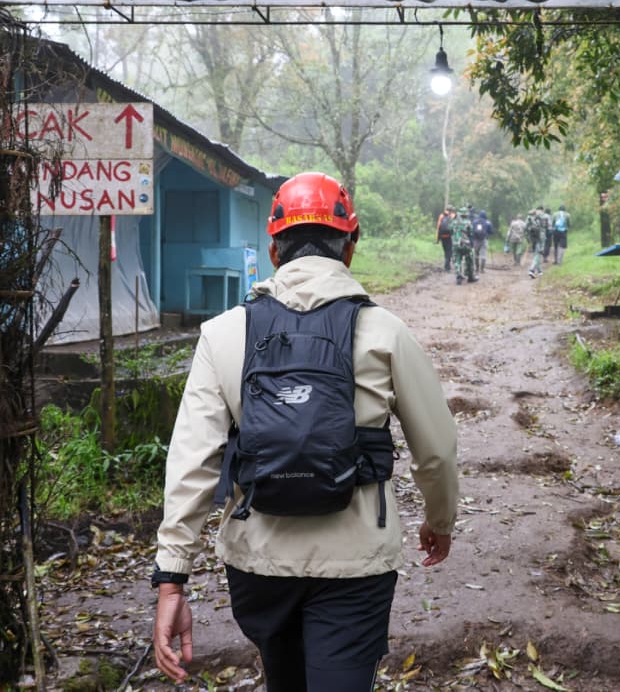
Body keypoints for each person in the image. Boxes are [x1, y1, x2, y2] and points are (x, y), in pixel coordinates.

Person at [152, 172, 459, 692]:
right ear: (351, 247)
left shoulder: (224, 333)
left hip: (258, 562)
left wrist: (171, 578)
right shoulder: (385, 331)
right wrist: (440, 519)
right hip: (356, 562)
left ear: (274, 249)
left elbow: (192, 461)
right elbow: (437, 450)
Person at [450, 205, 476, 285]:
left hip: (455, 244)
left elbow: (450, 230)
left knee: (457, 260)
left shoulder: (453, 222)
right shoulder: (468, 222)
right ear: (466, 214)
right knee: (469, 259)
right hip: (465, 244)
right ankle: (470, 276)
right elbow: (471, 232)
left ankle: (458, 276)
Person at [525, 206, 546, 278]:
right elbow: (543, 230)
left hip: (532, 238)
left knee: (536, 255)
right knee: (537, 255)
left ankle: (540, 271)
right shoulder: (540, 217)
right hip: (539, 239)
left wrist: (528, 239)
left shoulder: (528, 219)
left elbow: (525, 229)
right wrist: (543, 245)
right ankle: (531, 270)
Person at [471, 209, 494, 274]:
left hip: (476, 240)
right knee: (483, 254)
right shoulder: (488, 222)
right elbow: (491, 232)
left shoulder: (475, 221)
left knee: (475, 254)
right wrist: (488, 234)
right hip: (484, 239)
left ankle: (476, 268)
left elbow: (472, 230)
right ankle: (482, 269)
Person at [435, 206, 455, 272]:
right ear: (451, 210)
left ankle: (447, 265)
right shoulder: (453, 215)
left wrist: (437, 239)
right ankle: (447, 267)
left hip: (443, 236)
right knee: (449, 251)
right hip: (449, 236)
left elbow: (438, 227)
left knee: (446, 251)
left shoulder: (441, 216)